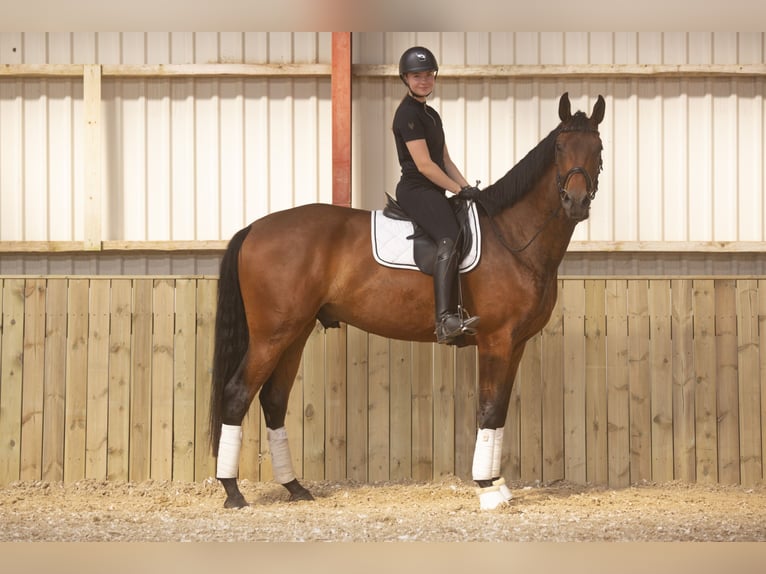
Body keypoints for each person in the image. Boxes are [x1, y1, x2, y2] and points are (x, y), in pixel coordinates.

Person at [392, 46, 480, 344]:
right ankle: (445, 320)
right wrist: (456, 190)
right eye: (418, 76)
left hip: (433, 186)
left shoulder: (431, 114)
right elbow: (425, 165)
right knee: (449, 235)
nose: (424, 80)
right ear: (406, 78)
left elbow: (445, 160)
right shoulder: (407, 114)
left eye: (429, 75)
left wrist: (470, 190)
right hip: (416, 188)